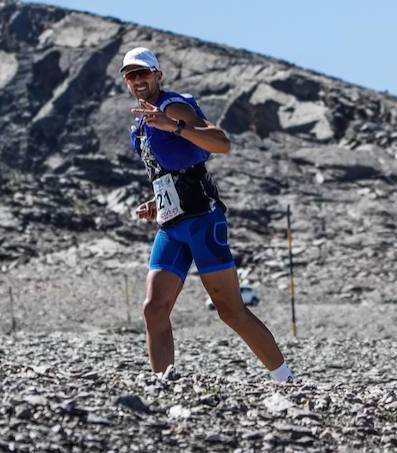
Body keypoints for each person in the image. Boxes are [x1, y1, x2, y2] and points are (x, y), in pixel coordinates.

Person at [119, 46, 292, 383]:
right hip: (171, 225)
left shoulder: (174, 106)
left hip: (202, 219)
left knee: (230, 310)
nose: (138, 80)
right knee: (154, 309)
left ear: (157, 75)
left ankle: (285, 379)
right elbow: (172, 170)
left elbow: (221, 143)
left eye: (143, 73)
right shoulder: (139, 127)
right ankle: (162, 383)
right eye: (131, 75)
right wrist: (157, 200)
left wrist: (175, 126)